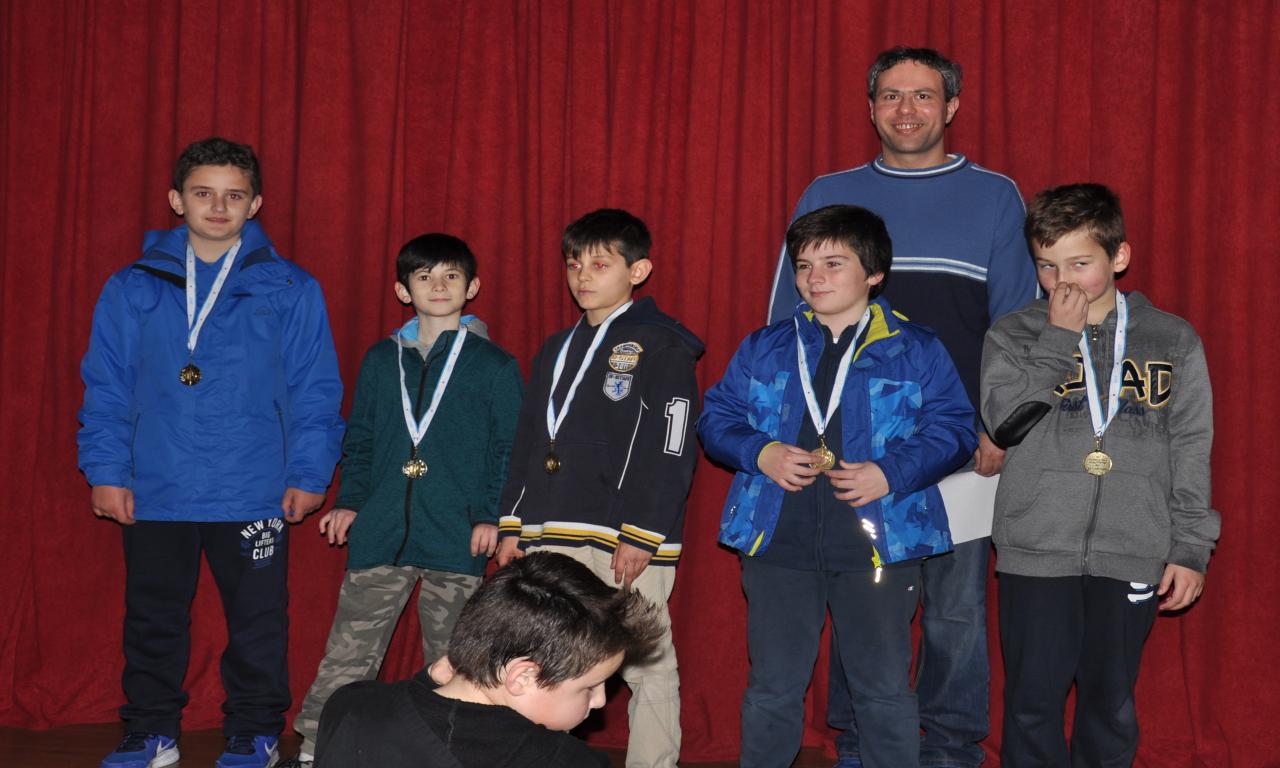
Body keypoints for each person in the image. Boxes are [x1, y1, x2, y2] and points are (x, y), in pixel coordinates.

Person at [766, 46, 1038, 768]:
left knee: (955, 612)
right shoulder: (829, 193)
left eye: (922, 95)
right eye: (890, 96)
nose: (906, 110)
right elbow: (785, 325)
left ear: (951, 107)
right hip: (848, 452)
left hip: (954, 446)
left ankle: (949, 751)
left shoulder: (994, 196)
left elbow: (1017, 326)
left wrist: (997, 425)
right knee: (864, 606)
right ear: (871, 108)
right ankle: (861, 748)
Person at [78, 137, 345, 768]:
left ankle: (255, 731)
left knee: (258, 621)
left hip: (254, 485)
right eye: (203, 193)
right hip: (156, 482)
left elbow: (315, 387)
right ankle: (151, 731)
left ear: (256, 204)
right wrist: (107, 470)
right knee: (152, 618)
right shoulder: (132, 286)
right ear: (177, 200)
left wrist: (310, 472)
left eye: (233, 195)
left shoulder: (291, 288)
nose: (218, 207)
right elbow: (107, 384)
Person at [700, 204, 977, 768]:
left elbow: (955, 429)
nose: (815, 278)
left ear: (874, 272)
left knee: (883, 691)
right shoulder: (765, 345)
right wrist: (760, 452)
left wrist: (890, 471)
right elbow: (717, 419)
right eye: (804, 266)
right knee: (772, 688)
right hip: (777, 541)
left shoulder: (916, 347)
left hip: (880, 543)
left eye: (833, 263)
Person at [980, 183, 1220, 766]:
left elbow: (1191, 447)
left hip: (1132, 547)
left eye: (1079, 264)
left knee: (1109, 704)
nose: (1062, 282)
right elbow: (1004, 424)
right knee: (1031, 703)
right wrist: (1058, 337)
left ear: (1119, 257)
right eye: (1047, 266)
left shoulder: (1173, 339)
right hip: (1037, 547)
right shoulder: (1013, 334)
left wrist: (1191, 547)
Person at [278, 234, 524, 767]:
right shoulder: (378, 360)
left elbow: (506, 450)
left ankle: (456, 754)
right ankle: (318, 747)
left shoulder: (495, 366)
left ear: (472, 287)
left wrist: (492, 516)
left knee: (456, 662)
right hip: (382, 531)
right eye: (424, 276)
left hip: (456, 536)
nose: (438, 286)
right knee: (348, 655)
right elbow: (361, 439)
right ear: (402, 289)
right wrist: (351, 501)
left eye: (451, 276)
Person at [494, 208, 702, 768]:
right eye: (573, 264)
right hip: (550, 527)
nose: (583, 276)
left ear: (638, 271)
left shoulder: (663, 345)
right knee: (544, 659)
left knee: (646, 663)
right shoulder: (555, 347)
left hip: (623, 537)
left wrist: (644, 531)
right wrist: (514, 523)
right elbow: (528, 438)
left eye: (600, 264)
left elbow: (671, 446)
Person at [312, 551, 663, 767]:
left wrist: (426, 681)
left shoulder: (351, 705)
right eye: (590, 687)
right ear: (522, 677)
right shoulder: (566, 760)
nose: (600, 701)